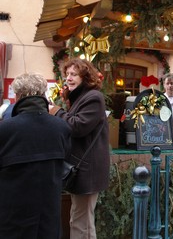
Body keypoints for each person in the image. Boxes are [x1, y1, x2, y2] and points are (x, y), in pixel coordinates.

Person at [0, 73, 71, 238]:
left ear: (17, 96)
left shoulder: (5, 130)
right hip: (49, 215)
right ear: (43, 94)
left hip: (12, 217)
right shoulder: (61, 127)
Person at [49, 58, 110, 239]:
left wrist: (56, 112)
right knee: (83, 221)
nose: (68, 78)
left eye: (74, 74)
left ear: (85, 77)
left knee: (80, 221)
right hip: (83, 168)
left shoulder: (93, 97)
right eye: (67, 74)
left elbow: (77, 127)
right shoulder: (81, 97)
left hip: (88, 170)